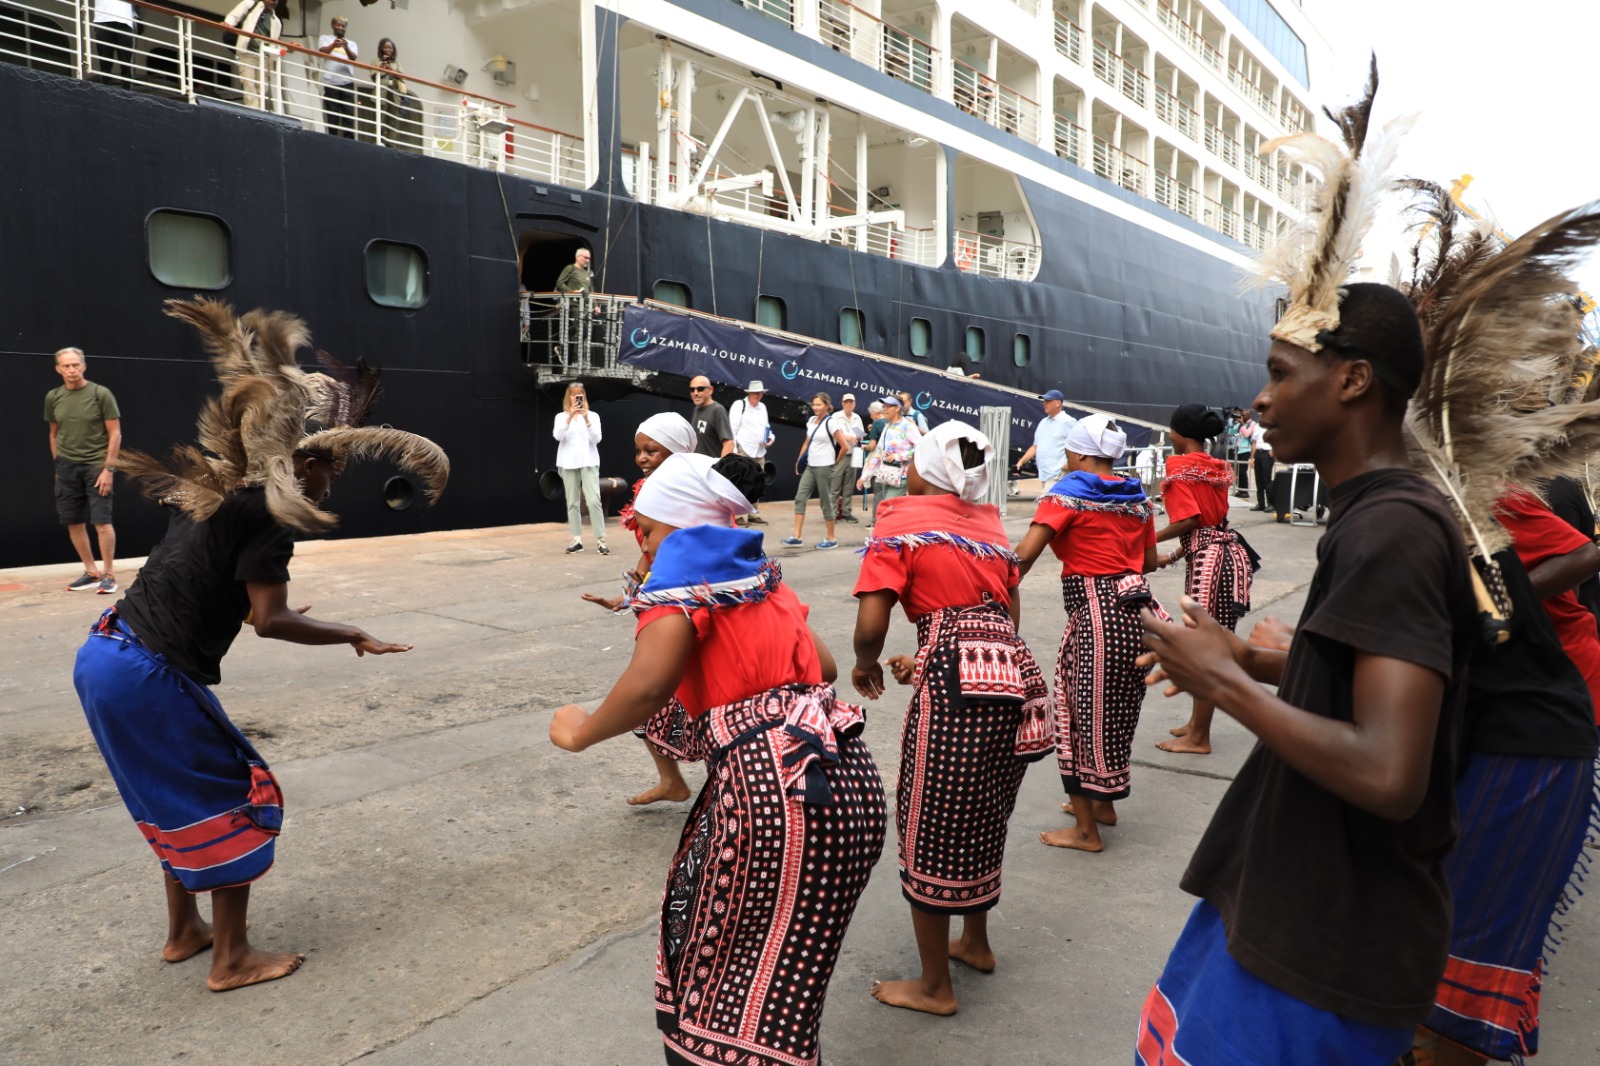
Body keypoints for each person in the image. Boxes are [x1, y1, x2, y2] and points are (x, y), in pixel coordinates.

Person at [1133, 284, 1477, 1065]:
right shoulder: (1373, 515)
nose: (1261, 396)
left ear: (1352, 381)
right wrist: (1255, 658)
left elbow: (1390, 771)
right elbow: (1379, 680)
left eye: (1282, 372)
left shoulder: (1392, 530)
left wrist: (1228, 684)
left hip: (1323, 943)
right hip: (1291, 909)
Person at [75, 298, 448, 993]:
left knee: (169, 794)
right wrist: (352, 634)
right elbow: (271, 621)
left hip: (103, 655)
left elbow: (227, 596)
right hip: (147, 673)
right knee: (238, 794)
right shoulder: (272, 518)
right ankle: (231, 957)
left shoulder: (219, 497)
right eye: (330, 469)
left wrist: (264, 606)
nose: (333, 481)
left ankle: (186, 931)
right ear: (304, 465)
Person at [549, 452, 886, 1066]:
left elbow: (650, 682)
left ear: (676, 527)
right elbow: (826, 667)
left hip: (774, 795)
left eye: (646, 532)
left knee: (723, 994)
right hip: (848, 778)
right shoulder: (758, 578)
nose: (643, 548)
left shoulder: (682, 570)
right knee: (784, 987)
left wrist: (580, 731)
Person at [850, 421, 1052, 1016]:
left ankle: (935, 987)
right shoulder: (987, 525)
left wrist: (867, 664)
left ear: (929, 470)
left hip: (956, 683)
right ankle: (976, 943)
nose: (907, 468)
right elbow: (1004, 611)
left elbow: (871, 623)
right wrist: (940, 648)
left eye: (915, 459)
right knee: (985, 806)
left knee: (932, 817)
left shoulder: (900, 522)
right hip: (1008, 668)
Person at [1411, 545, 1600, 1066]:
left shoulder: (1425, 520)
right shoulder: (1445, 523)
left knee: (1448, 990)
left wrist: (1241, 666)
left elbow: (1400, 677)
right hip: (1508, 746)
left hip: (1521, 762)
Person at [1014, 414, 1161, 853]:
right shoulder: (1138, 499)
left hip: (1095, 615)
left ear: (1077, 453)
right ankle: (1105, 807)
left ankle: (1085, 833)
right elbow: (1149, 562)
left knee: (1079, 721)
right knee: (1114, 714)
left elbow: (1024, 556)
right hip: (1137, 613)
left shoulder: (1066, 496)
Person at [582, 412, 700, 806]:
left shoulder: (693, 497)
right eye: (639, 451)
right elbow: (650, 549)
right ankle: (672, 781)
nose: (642, 458)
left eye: (652, 450)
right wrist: (631, 592)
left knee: (686, 697)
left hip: (692, 610)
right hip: (662, 603)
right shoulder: (650, 490)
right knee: (652, 704)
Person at [1152, 404, 1254, 756]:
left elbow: (1189, 520)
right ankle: (1197, 725)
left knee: (1205, 648)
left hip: (1209, 563)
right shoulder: (1215, 466)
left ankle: (1199, 738)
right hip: (1226, 555)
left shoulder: (1178, 467)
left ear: (1180, 433)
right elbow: (1211, 523)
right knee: (1212, 642)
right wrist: (1178, 555)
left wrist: (1148, 540)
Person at [45, 347, 122, 594]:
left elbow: (115, 433)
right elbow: (54, 434)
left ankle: (109, 574)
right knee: (73, 522)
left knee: (102, 522)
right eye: (66, 366)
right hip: (67, 468)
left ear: (84, 366)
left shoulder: (101, 394)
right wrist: (59, 465)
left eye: (75, 365)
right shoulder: (53, 397)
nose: (72, 370)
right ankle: (91, 571)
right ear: (58, 369)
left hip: (96, 466)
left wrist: (108, 469)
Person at [783, 392, 847, 550]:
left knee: (825, 502)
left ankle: (831, 538)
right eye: (814, 404)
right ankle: (797, 536)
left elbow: (844, 446)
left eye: (819, 404)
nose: (815, 407)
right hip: (811, 466)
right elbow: (806, 442)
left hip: (825, 467)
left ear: (827, 405)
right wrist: (799, 460)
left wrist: (835, 462)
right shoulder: (811, 420)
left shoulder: (831, 423)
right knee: (800, 498)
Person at [552, 381, 606, 555]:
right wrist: (570, 417)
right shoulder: (561, 417)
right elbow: (558, 436)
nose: (576, 397)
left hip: (588, 461)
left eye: (579, 394)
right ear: (569, 397)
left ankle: (601, 540)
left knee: (593, 500)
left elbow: (597, 439)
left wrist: (586, 419)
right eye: (573, 394)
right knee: (572, 502)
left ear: (584, 396)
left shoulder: (593, 416)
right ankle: (577, 539)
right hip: (568, 462)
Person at [859, 395, 921, 524]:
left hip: (901, 477)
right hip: (885, 475)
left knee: (887, 511)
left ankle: (887, 540)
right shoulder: (887, 427)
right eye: (884, 406)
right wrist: (865, 476)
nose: (884, 410)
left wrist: (898, 456)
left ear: (898, 408)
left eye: (888, 406)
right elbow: (878, 454)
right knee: (892, 511)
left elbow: (921, 448)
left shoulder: (908, 427)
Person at [727, 380, 774, 525]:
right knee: (741, 483)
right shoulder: (739, 405)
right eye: (754, 393)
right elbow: (732, 430)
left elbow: (767, 427)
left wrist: (771, 438)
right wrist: (734, 450)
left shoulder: (763, 407)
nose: (757, 395)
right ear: (749, 393)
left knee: (758, 482)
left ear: (762, 394)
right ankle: (738, 515)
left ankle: (754, 513)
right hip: (743, 449)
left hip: (759, 451)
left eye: (759, 393)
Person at [222, 0, 283, 112]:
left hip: (264, 57)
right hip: (247, 52)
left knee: (262, 87)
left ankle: (260, 111)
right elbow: (234, 16)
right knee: (248, 82)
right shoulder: (250, 4)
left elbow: (274, 43)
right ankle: (254, 111)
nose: (273, 1)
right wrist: (228, 24)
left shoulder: (276, 22)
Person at [1014, 389, 1077, 491]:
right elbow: (1035, 447)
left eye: (1048, 401)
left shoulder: (1068, 422)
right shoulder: (1043, 422)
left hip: (1058, 476)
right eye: (1044, 401)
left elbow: (1079, 445)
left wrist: (1070, 463)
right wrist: (1020, 462)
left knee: (1045, 505)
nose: (1044, 404)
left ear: (1058, 403)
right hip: (1045, 475)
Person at [316, 17, 359, 139]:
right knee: (332, 114)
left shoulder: (351, 43)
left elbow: (353, 58)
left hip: (347, 82)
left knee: (348, 114)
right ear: (333, 25)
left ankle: (349, 139)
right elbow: (322, 51)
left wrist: (346, 47)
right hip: (331, 82)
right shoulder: (325, 38)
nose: (340, 27)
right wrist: (333, 45)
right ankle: (332, 138)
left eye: (343, 26)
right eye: (338, 25)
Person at [830, 393, 866, 523]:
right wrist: (847, 437)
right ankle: (832, 513)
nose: (849, 404)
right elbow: (834, 433)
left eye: (851, 402)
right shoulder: (836, 416)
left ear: (855, 404)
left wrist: (859, 437)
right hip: (841, 453)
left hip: (854, 453)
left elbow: (861, 435)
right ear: (842, 403)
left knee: (849, 485)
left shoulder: (857, 418)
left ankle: (846, 512)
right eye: (846, 402)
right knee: (835, 484)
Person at [91, 0, 138, 83]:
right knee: (105, 61)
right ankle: (106, 89)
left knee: (126, 62)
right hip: (103, 19)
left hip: (124, 21)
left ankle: (126, 92)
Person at [687, 375, 734, 458]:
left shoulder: (718, 410)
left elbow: (729, 444)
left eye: (700, 389)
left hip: (710, 468)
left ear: (710, 390)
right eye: (692, 390)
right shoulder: (696, 410)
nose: (695, 393)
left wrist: (719, 468)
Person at [1248, 409, 1276, 516]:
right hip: (1258, 453)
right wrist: (1252, 458)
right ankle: (1261, 503)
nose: (1260, 414)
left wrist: (1272, 451)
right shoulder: (1257, 426)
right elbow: (1254, 442)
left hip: (1266, 453)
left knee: (1267, 479)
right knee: (1258, 479)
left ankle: (1271, 504)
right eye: (1259, 412)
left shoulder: (1271, 424)